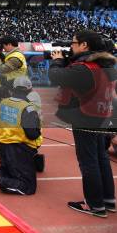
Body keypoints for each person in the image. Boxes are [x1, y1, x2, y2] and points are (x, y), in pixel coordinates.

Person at [49, 30, 116, 217]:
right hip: (102, 115)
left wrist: (57, 61)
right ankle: (108, 200)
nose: (71, 46)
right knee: (101, 158)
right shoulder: (105, 65)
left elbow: (56, 76)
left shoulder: (84, 68)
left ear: (84, 45)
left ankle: (95, 205)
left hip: (85, 116)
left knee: (88, 162)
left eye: (74, 43)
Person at [0, 76, 42, 195]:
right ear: (29, 90)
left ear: (13, 88)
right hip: (20, 149)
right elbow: (32, 134)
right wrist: (38, 130)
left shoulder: (3, 103)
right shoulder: (28, 108)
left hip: (4, 146)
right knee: (28, 186)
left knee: (8, 171)